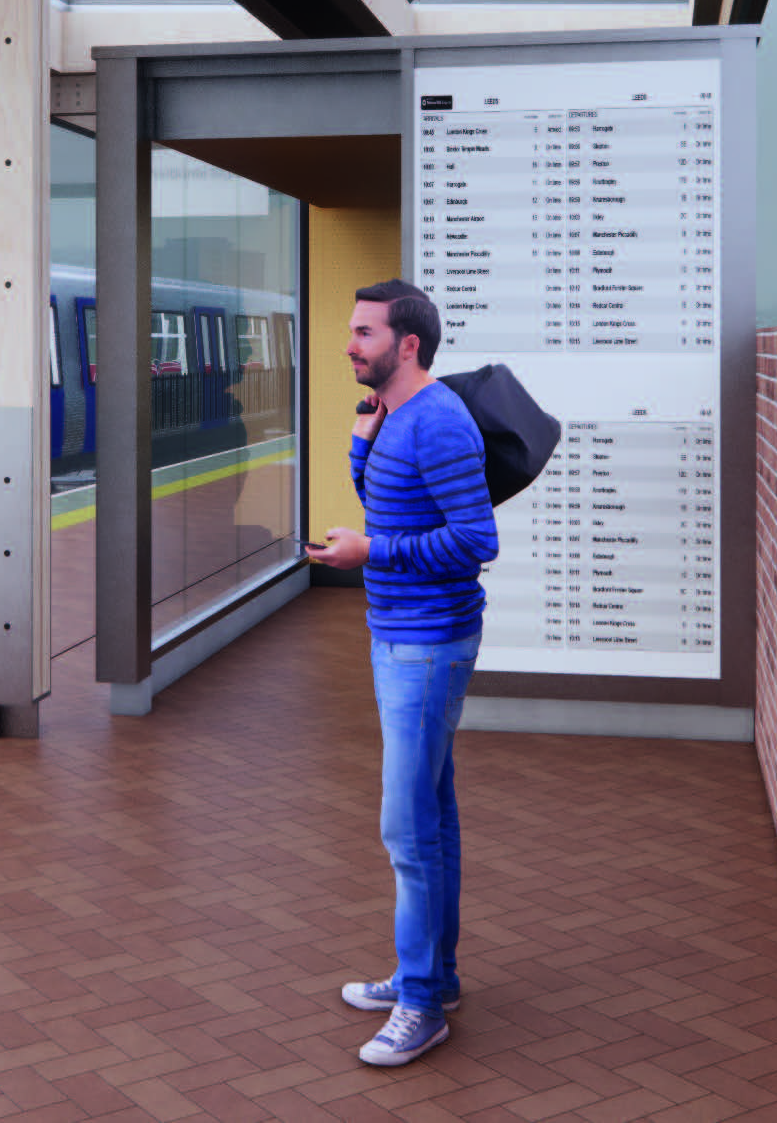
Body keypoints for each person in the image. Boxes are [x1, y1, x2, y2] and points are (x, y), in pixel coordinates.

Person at [307, 278, 498, 1068]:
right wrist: (362, 438)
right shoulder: (397, 417)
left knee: (406, 830)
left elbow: (475, 539)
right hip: (396, 635)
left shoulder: (440, 423)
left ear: (406, 343)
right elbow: (383, 499)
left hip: (426, 645)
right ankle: (433, 976)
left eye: (363, 333)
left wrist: (370, 554)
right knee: (432, 813)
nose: (349, 344)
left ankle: (420, 1006)